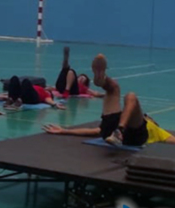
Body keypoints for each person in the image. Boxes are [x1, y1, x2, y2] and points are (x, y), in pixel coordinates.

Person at [43, 54, 175, 146]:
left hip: (134, 137)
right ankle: (101, 80)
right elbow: (96, 131)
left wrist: (65, 131)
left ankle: (120, 131)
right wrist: (64, 131)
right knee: (114, 89)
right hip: (111, 130)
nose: (148, 116)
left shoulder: (159, 132)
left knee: (130, 96)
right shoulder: (126, 117)